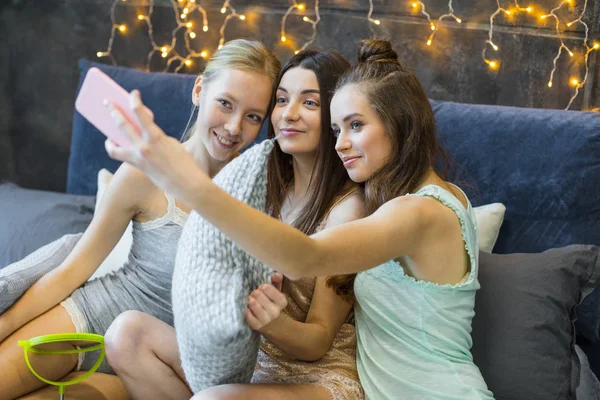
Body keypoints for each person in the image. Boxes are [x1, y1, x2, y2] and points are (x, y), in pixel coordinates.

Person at [106, 39, 495, 399]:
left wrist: (186, 183)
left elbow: (305, 257)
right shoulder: (402, 202)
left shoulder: (417, 213)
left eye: (355, 125)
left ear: (400, 121)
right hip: (302, 371)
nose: (342, 142)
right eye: (337, 128)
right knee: (129, 334)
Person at [0, 39, 280, 400]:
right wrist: (4, 325)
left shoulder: (256, 203)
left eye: (253, 116)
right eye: (225, 104)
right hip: (86, 318)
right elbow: (72, 270)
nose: (233, 126)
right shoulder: (141, 174)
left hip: (146, 359)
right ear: (199, 90)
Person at [104, 49, 365, 400]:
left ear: (336, 114)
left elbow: (318, 341)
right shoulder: (259, 182)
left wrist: (273, 322)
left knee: (214, 398)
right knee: (127, 333)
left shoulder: (346, 209)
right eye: (282, 100)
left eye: (310, 103)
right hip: (248, 364)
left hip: (315, 378)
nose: (289, 114)